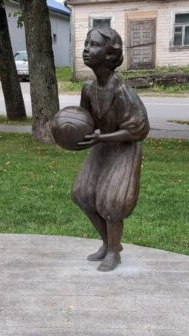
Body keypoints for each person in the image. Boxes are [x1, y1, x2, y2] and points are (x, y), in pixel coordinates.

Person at [72, 26, 150, 272]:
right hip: (102, 146)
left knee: (112, 201)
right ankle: (109, 244)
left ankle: (114, 253)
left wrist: (102, 138)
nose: (86, 49)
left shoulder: (122, 91)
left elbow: (138, 130)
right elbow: (86, 121)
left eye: (94, 45)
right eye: (86, 44)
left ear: (109, 55)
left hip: (124, 149)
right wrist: (69, 131)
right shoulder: (88, 88)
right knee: (82, 194)